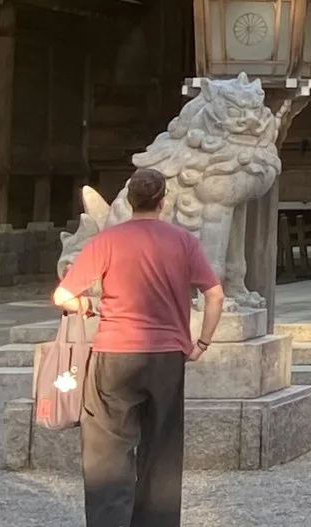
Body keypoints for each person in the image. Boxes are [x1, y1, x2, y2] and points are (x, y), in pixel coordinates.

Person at [52, 168, 225, 527]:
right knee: (161, 450)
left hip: (114, 353)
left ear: (130, 201)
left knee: (107, 451)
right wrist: (202, 341)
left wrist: (86, 306)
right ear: (163, 202)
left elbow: (63, 295)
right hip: (166, 355)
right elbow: (214, 294)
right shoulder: (184, 241)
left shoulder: (107, 241)